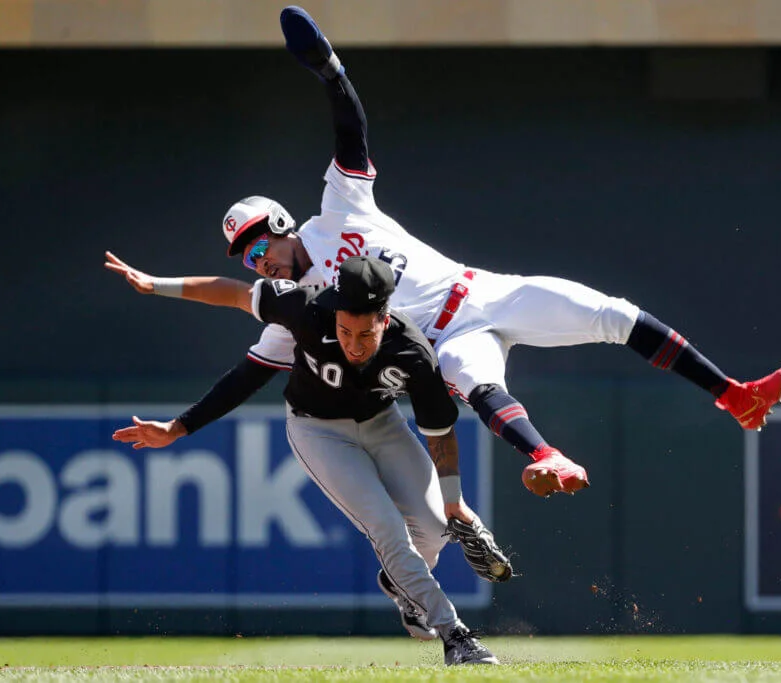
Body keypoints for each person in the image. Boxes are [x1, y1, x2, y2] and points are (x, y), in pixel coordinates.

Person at [144, 6, 781, 498]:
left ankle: (731, 393)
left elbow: (351, 131)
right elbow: (246, 375)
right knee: (472, 376)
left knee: (612, 313)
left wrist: (331, 71)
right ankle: (547, 455)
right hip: (447, 333)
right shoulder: (305, 312)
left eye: (260, 246)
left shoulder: (335, 213)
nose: (260, 264)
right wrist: (181, 427)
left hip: (485, 290)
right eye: (248, 260)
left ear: (282, 226)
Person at [108, 254, 501, 666]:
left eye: (365, 333)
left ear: (385, 318)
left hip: (382, 423)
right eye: (345, 330)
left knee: (435, 529)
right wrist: (157, 284)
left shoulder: (414, 352)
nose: (353, 344)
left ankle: (399, 583)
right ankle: (455, 635)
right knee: (387, 529)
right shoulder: (307, 305)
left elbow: (440, 434)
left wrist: (453, 500)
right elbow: (233, 294)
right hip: (318, 430)